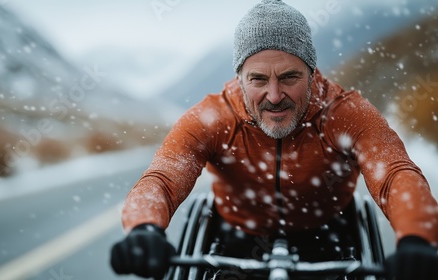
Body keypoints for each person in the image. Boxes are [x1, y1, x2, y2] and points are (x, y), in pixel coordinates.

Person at [110, 0, 438, 279]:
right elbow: (163, 180)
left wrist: (416, 237)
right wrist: (144, 229)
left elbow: (395, 174)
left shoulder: (345, 112)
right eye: (258, 79)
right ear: (240, 77)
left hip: (329, 237)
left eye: (289, 77)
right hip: (235, 239)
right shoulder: (212, 117)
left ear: (311, 72)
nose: (274, 94)